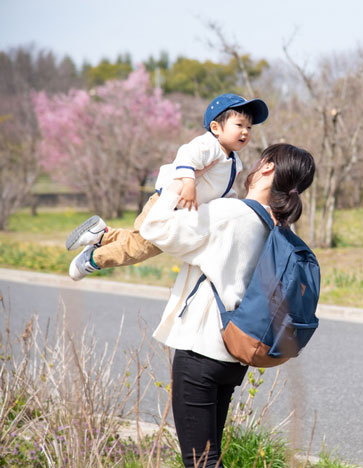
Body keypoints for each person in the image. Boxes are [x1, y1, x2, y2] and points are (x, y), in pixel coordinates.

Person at [139, 143, 315, 468]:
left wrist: (177, 183)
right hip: (232, 355)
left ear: (267, 169)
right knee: (209, 457)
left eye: (261, 159)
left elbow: (154, 228)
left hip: (201, 352)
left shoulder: (230, 215)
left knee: (201, 462)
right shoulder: (273, 226)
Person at [65, 93, 269, 281]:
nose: (245, 132)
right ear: (216, 128)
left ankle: (101, 235)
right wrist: (188, 182)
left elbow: (223, 190)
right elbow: (186, 155)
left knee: (139, 242)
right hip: (168, 203)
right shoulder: (209, 145)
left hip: (181, 212)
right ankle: (93, 259)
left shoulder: (234, 161)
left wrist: (232, 207)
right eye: (239, 125)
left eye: (249, 128)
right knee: (140, 247)